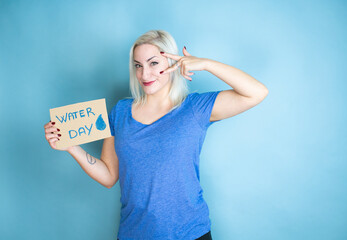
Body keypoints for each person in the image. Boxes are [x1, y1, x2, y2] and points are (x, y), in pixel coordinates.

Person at [44, 30, 268, 240]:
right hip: (135, 233)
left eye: (153, 63)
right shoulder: (120, 112)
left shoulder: (195, 108)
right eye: (138, 66)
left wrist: (206, 64)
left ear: (171, 62)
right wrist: (71, 147)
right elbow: (109, 176)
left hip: (190, 233)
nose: (145, 74)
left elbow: (256, 93)